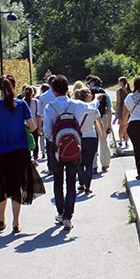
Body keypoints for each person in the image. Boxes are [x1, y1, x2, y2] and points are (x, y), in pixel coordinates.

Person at [0, 74, 44, 233]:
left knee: (2, 185)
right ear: (14, 86)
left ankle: (1, 219)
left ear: (0, 88)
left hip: (1, 151)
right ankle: (16, 222)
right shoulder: (22, 105)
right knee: (17, 186)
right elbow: (32, 127)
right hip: (20, 151)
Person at [43, 76, 97, 230]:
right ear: (68, 89)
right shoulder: (77, 105)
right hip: (74, 147)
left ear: (53, 90)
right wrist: (97, 99)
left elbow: (47, 131)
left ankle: (60, 212)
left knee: (58, 181)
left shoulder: (50, 107)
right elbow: (93, 107)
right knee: (71, 181)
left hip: (57, 149)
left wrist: (56, 140)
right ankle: (68, 217)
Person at [73, 87, 107, 194]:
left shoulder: (76, 109)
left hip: (79, 138)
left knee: (80, 163)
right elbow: (99, 123)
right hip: (91, 137)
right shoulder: (93, 110)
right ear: (87, 97)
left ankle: (81, 183)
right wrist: (102, 135)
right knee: (89, 163)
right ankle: (88, 186)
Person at [87, 76, 112, 173]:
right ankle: (105, 163)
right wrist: (109, 124)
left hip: (91, 119)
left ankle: (93, 165)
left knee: (92, 142)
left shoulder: (88, 93)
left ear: (93, 83)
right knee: (103, 141)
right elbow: (109, 110)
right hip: (103, 118)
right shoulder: (105, 94)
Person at [37, 75, 57, 174]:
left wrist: (39, 127)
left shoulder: (43, 96)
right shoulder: (60, 95)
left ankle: (51, 167)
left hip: (47, 121)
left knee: (49, 145)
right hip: (60, 121)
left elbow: (40, 114)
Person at [24, 86, 40, 164]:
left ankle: (28, 157)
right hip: (35, 125)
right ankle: (35, 158)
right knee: (35, 141)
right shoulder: (36, 102)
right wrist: (40, 126)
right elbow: (38, 114)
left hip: (25, 125)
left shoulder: (22, 102)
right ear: (33, 93)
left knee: (27, 141)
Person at [115, 76, 132, 149]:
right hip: (129, 110)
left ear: (122, 82)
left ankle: (121, 141)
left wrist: (117, 112)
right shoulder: (129, 90)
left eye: (119, 81)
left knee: (121, 126)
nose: (118, 83)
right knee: (127, 126)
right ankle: (127, 141)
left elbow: (118, 103)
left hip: (122, 110)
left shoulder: (119, 91)